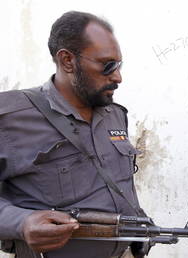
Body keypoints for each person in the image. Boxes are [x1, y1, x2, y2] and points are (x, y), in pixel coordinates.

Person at [0, 11, 144, 258]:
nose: (118, 77)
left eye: (119, 65)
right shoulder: (10, 118)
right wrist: (21, 223)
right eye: (107, 65)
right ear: (67, 60)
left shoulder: (115, 114)